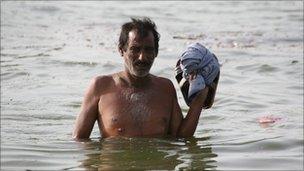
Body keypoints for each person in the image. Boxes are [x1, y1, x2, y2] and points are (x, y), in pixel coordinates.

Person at [72, 17, 218, 139]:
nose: (142, 57)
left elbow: (181, 139)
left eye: (149, 50)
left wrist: (199, 100)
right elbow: (80, 141)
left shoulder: (165, 88)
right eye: (135, 49)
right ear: (121, 50)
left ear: (156, 53)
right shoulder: (100, 87)